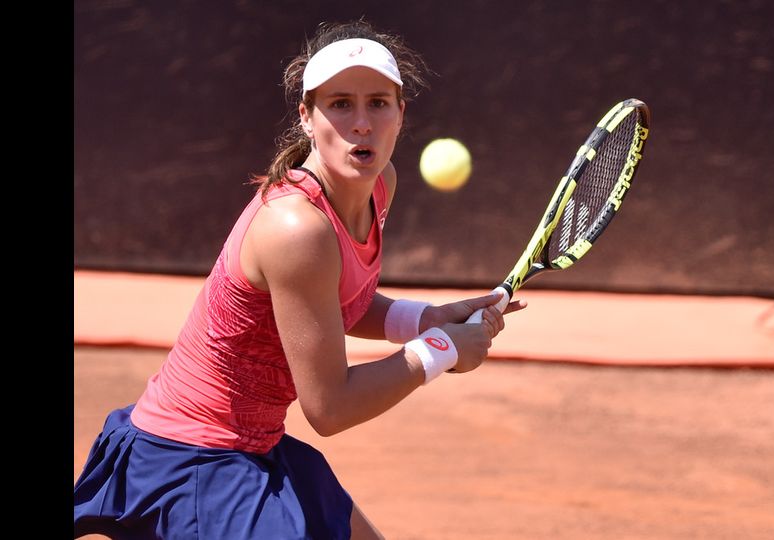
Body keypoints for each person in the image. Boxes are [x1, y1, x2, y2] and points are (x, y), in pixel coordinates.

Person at [74, 20, 525, 540]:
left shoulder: (381, 187)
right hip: (194, 462)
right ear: (307, 117)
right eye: (340, 104)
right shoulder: (296, 229)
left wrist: (422, 318)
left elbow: (337, 304)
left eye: (378, 103)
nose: (361, 123)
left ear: (402, 114)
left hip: (252, 446)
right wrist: (443, 348)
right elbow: (330, 408)